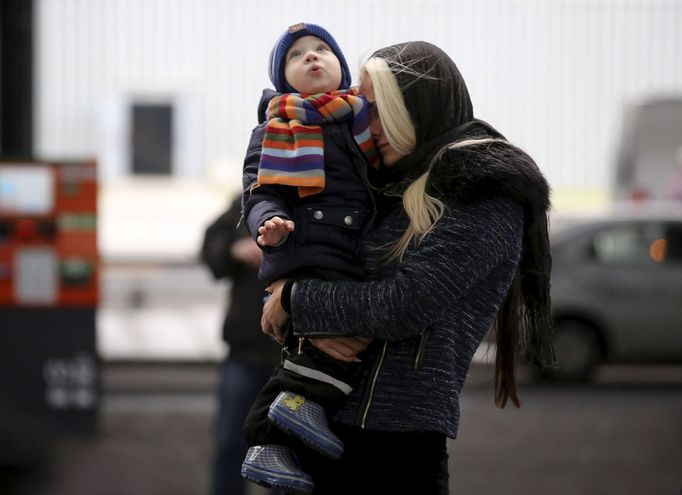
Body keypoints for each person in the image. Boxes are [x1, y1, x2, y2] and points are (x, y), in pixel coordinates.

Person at [260, 41, 556, 495]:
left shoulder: (484, 190)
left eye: (377, 111)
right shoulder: (390, 183)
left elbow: (404, 305)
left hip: (391, 450)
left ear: (414, 106)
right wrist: (286, 285)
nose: (366, 124)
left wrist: (294, 300)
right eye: (362, 110)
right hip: (323, 429)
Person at [239, 23, 378, 494]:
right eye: (297, 55)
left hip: (349, 248)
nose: (313, 57)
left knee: (325, 345)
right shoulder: (273, 128)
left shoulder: (360, 120)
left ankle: (275, 440)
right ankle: (288, 419)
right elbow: (259, 191)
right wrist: (270, 226)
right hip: (306, 248)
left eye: (322, 50)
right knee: (336, 342)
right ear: (284, 78)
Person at [200, 196, 281, 495]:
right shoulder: (248, 200)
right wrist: (234, 249)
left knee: (286, 454)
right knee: (229, 444)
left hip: (295, 359)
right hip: (244, 352)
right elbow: (212, 249)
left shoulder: (317, 201)